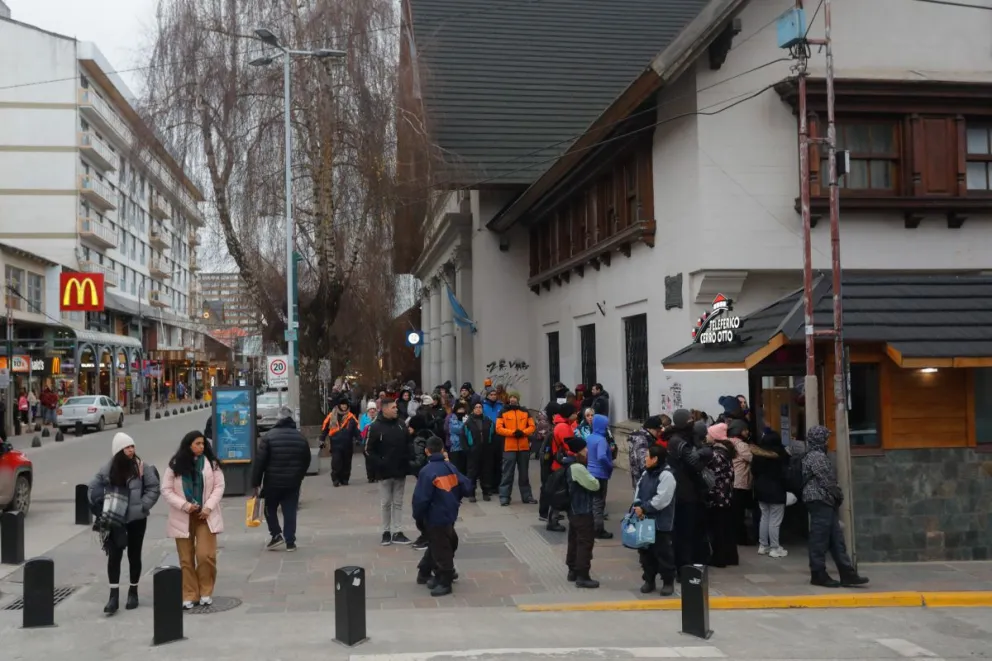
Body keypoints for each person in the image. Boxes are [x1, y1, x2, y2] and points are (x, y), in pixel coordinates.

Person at [88, 432, 160, 613]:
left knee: (134, 556)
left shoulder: (142, 467)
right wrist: (100, 505)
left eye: (132, 446)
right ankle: (113, 597)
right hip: (115, 520)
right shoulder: (107, 469)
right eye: (127, 447)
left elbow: (153, 488)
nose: (131, 450)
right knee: (114, 557)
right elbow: (92, 489)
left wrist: (142, 506)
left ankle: (133, 592)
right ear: (118, 450)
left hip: (136, 520)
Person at [162, 431, 226, 610]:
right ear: (188, 445)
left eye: (203, 444)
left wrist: (208, 507)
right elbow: (166, 489)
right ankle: (190, 593)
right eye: (198, 444)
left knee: (205, 555)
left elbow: (219, 486)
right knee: (186, 558)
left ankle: (206, 590)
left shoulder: (211, 464)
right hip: (183, 516)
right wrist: (184, 505)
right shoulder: (175, 465)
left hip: (205, 516)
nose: (201, 447)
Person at [803, 425, 869, 588]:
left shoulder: (814, 455)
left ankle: (847, 573)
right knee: (820, 538)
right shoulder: (816, 457)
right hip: (820, 500)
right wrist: (838, 495)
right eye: (825, 438)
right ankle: (818, 573)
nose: (827, 441)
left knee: (836, 539)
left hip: (824, 500)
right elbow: (827, 481)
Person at [412, 437, 473, 596]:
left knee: (442, 544)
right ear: (443, 450)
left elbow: (420, 499)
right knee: (444, 546)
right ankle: (442, 576)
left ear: (427, 451)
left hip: (434, 516)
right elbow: (467, 487)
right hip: (448, 514)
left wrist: (418, 518)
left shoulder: (427, 471)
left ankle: (433, 574)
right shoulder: (451, 467)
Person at [252, 406, 311, 551]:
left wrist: (256, 482)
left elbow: (260, 462)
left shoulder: (269, 437)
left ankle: (276, 534)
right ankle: (290, 542)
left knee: (268, 507)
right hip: (293, 483)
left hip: (272, 482)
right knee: (290, 510)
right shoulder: (300, 437)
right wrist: (299, 476)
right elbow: (306, 459)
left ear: (278, 419)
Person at [666, 409, 712, 571]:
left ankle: (694, 562)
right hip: (683, 494)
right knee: (683, 533)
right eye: (689, 420)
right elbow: (695, 463)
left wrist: (702, 451)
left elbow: (702, 453)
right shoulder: (677, 441)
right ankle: (683, 567)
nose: (692, 422)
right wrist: (702, 454)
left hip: (693, 492)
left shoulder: (688, 438)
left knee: (694, 531)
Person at [366, 398, 414, 546]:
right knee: (386, 502)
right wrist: (379, 463)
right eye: (393, 407)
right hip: (384, 472)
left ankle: (398, 531)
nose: (396, 410)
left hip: (400, 470)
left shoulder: (401, 424)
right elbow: (368, 450)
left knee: (398, 502)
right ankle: (386, 531)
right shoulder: (375, 427)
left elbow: (408, 444)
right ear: (385, 409)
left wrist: (410, 462)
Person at [633, 444, 677, 596]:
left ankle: (667, 581)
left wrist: (644, 508)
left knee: (663, 553)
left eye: (647, 456)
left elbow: (662, 500)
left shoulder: (667, 476)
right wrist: (637, 505)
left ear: (655, 459)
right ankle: (649, 580)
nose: (645, 459)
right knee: (646, 553)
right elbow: (638, 490)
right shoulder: (646, 474)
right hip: (645, 520)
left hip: (660, 522)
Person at [562, 437, 600, 589]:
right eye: (585, 448)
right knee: (585, 542)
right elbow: (594, 485)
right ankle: (583, 575)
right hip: (582, 509)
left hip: (573, 509)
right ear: (579, 451)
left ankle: (572, 570)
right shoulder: (577, 467)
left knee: (574, 539)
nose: (587, 451)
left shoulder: (567, 462)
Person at [704, 423, 738, 567]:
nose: (706, 436)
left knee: (717, 529)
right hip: (726, 495)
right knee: (726, 527)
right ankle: (730, 556)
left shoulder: (716, 455)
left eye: (709, 434)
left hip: (717, 497)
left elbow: (713, 478)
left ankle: (719, 558)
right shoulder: (725, 452)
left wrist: (708, 494)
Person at [751, 430, 789, 558]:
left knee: (764, 517)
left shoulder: (757, 454)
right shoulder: (781, 455)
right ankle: (775, 547)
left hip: (761, 489)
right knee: (775, 520)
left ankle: (763, 546)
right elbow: (785, 473)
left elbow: (753, 471)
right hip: (776, 489)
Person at [495, 391, 537, 506]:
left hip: (523, 447)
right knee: (507, 473)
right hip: (509, 447)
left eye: (515, 397)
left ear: (518, 399)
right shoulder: (503, 411)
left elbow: (532, 426)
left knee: (524, 474)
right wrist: (513, 433)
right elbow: (498, 428)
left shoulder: (524, 411)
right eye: (511, 397)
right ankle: (504, 497)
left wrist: (522, 433)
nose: (513, 399)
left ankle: (527, 496)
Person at [321, 396, 360, 487]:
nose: (344, 406)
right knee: (336, 462)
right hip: (335, 443)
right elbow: (325, 428)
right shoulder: (332, 415)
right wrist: (321, 439)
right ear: (339, 405)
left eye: (345, 405)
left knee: (347, 462)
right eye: (342, 405)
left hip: (347, 444)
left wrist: (358, 438)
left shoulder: (351, 417)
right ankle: (336, 479)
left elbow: (356, 429)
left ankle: (345, 479)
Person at [585, 413, 614, 540]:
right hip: (600, 474)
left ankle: (589, 526)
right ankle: (598, 529)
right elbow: (602, 456)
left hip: (590, 471)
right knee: (599, 502)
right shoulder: (601, 440)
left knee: (591, 501)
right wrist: (609, 466)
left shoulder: (590, 437)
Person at [726, 419, 755, 545]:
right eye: (745, 430)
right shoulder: (741, 445)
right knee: (739, 513)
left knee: (733, 512)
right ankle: (741, 538)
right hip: (741, 481)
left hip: (731, 481)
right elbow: (752, 458)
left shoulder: (728, 442)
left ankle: (733, 536)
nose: (747, 432)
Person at [461, 400, 494, 502]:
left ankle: (486, 492)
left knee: (486, 472)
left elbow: (493, 435)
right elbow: (463, 437)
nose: (478, 409)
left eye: (480, 407)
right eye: (476, 407)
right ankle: (471, 493)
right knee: (472, 473)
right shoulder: (468, 423)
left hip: (486, 451)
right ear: (473, 410)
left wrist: (491, 448)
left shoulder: (488, 421)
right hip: (473, 451)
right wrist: (468, 450)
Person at [627, 415, 666, 488]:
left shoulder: (645, 437)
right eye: (657, 430)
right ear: (650, 429)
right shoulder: (641, 440)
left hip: (641, 478)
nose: (659, 433)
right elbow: (644, 463)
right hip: (643, 479)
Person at [482, 389, 505, 489]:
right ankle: (489, 484)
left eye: (495, 394)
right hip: (487, 435)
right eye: (491, 394)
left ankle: (497, 484)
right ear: (487, 396)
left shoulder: (501, 405)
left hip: (499, 435)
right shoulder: (483, 406)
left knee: (498, 461)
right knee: (488, 462)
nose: (493, 396)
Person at [447, 400, 469, 472]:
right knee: (456, 469)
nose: (461, 411)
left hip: (465, 446)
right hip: (456, 447)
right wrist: (464, 424)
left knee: (464, 469)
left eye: (463, 409)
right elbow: (456, 429)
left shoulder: (467, 418)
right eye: (460, 409)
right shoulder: (452, 419)